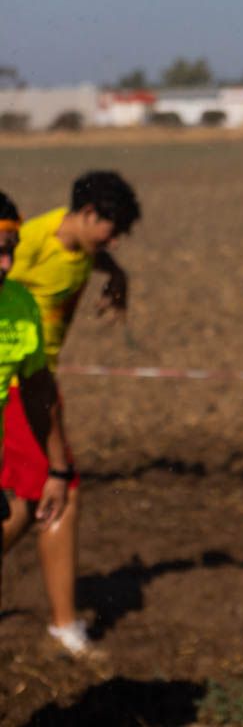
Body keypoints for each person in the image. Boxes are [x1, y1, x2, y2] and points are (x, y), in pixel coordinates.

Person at [1, 169, 139, 658]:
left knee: (34, 497)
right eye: (112, 227)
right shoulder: (32, 242)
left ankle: (64, 622)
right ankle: (64, 625)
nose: (115, 240)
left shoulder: (77, 247)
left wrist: (118, 275)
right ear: (85, 214)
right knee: (58, 494)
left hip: (37, 383)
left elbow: (89, 259)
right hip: (16, 387)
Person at [0, 191, 72, 609]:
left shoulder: (20, 304)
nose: (7, 265)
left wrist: (58, 471)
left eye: (11, 252)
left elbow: (39, 390)